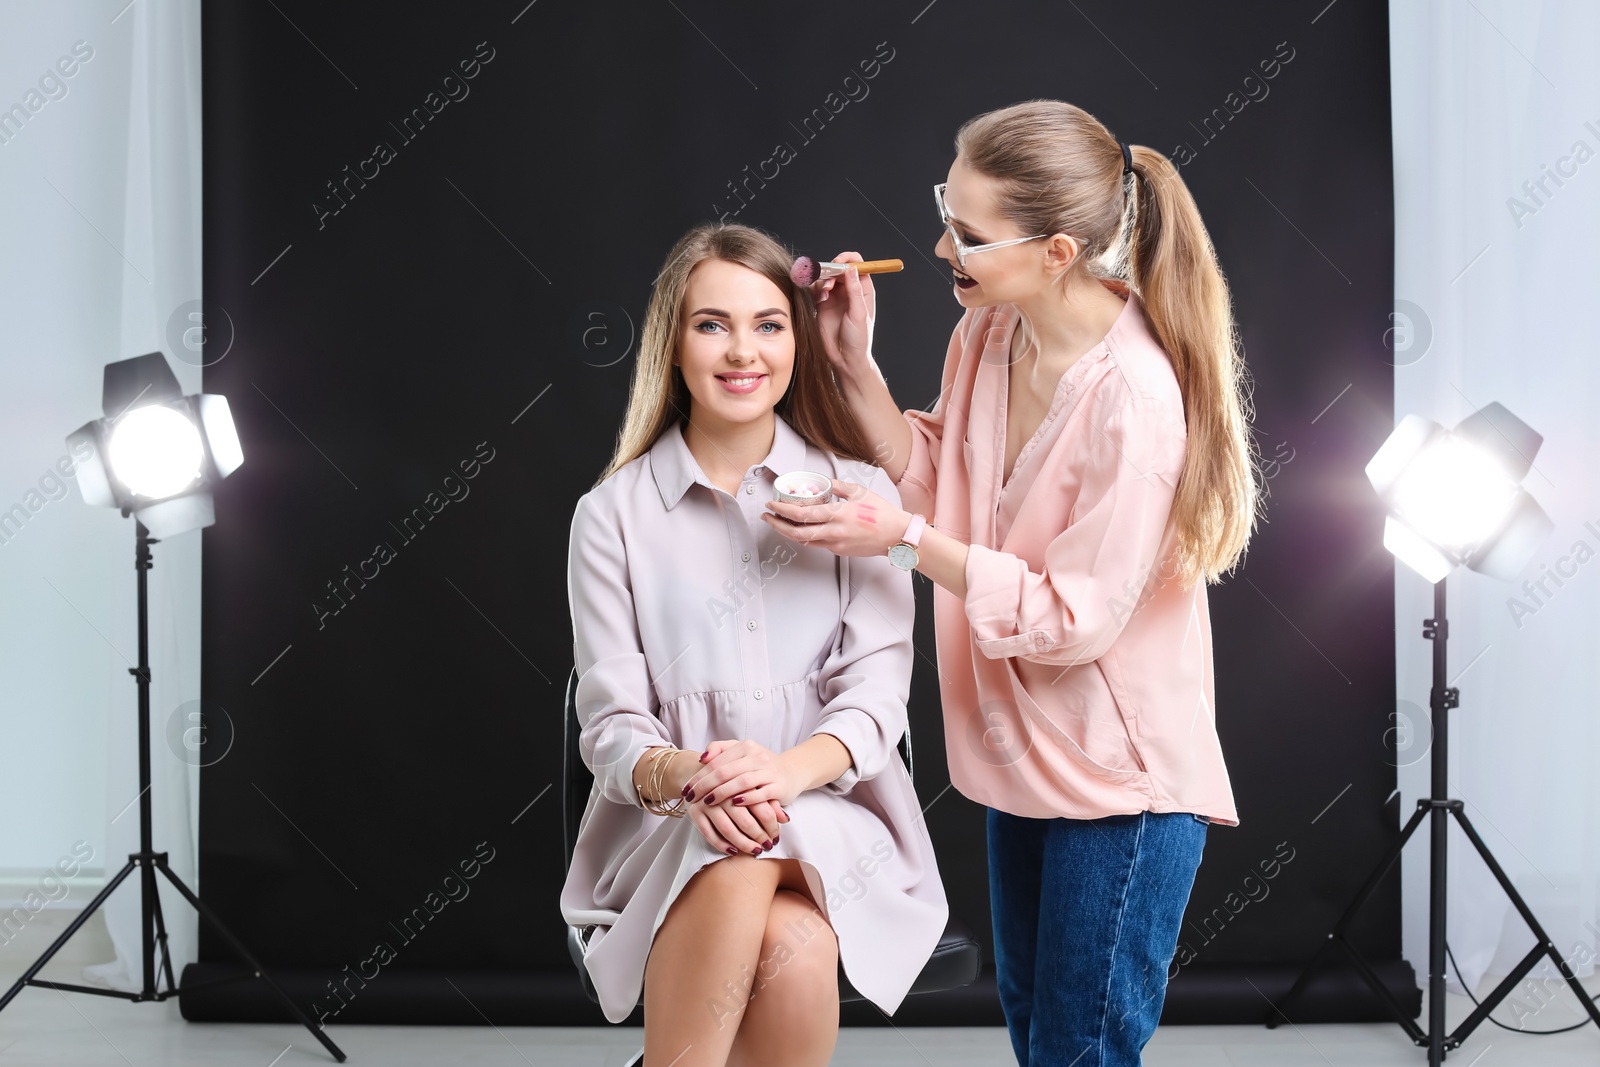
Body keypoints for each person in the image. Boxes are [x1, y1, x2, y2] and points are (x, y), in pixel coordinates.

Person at [760, 100, 1260, 1066]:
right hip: (1026, 760)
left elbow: (1068, 620)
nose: (941, 241)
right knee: (1040, 1037)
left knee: (1079, 1050)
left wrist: (896, 537)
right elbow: (937, 484)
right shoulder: (991, 332)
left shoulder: (1136, 403)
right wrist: (854, 367)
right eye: (948, 205)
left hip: (1120, 786)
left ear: (1061, 250)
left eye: (971, 233)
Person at [559, 222, 949, 1067]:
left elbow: (879, 694)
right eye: (713, 323)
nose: (744, 351)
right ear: (673, 342)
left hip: (839, 818)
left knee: (747, 854)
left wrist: (779, 775)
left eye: (769, 324)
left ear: (798, 340)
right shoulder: (612, 516)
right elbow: (612, 723)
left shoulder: (863, 496)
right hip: (671, 824)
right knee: (791, 932)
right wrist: (696, 778)